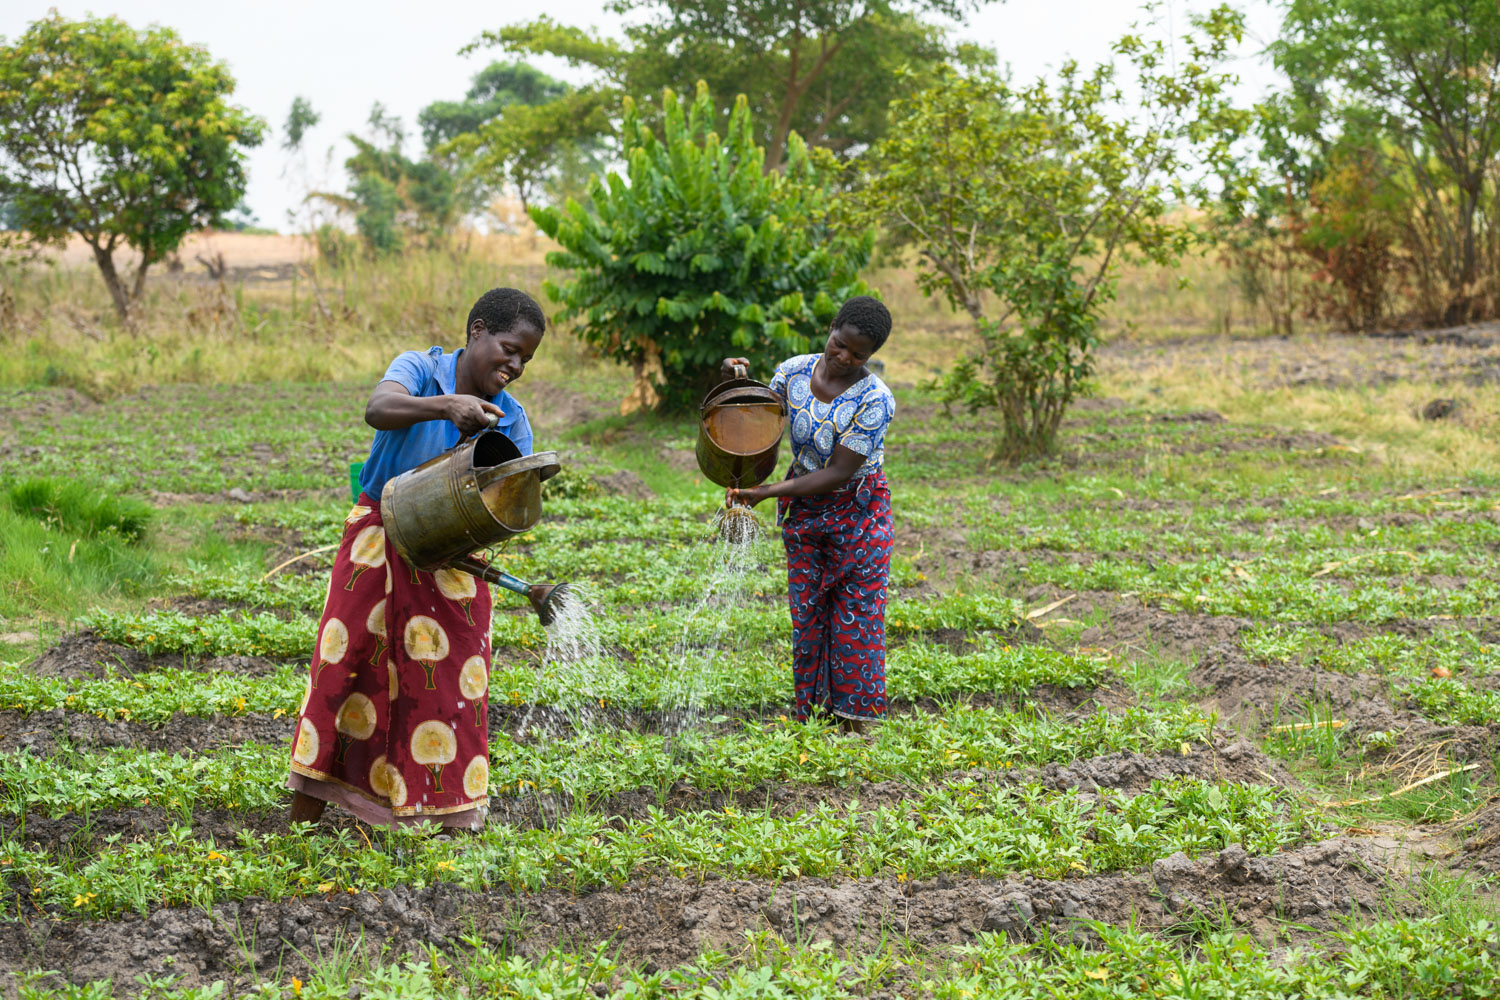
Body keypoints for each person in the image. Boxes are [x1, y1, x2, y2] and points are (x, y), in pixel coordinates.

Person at [286, 287, 545, 830]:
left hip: (450, 556)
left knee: (451, 685)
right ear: (476, 331)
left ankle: (455, 821)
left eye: (525, 357)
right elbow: (377, 410)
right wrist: (447, 406)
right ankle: (305, 813)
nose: (515, 364)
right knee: (347, 669)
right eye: (508, 347)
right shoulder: (420, 370)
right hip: (378, 539)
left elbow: (505, 507)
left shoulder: (510, 419)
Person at [724, 296, 896, 734]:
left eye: (858, 355)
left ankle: (855, 725)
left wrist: (765, 493)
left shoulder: (875, 400)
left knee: (855, 617)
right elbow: (756, 420)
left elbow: (838, 473)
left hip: (858, 514)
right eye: (839, 344)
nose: (843, 357)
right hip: (803, 512)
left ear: (871, 357)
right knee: (808, 614)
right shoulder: (793, 372)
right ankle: (814, 718)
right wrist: (733, 380)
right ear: (833, 326)